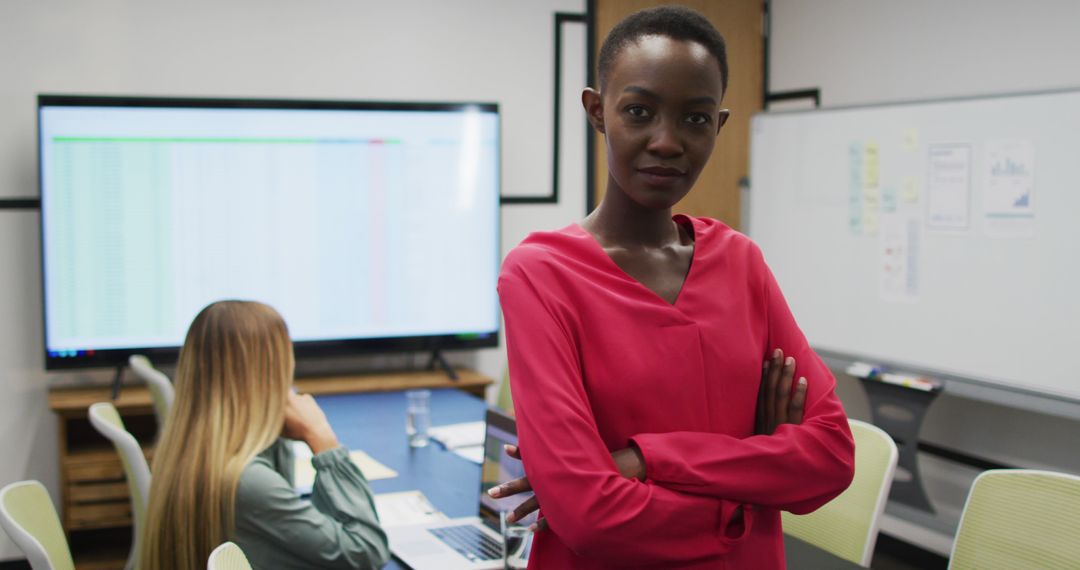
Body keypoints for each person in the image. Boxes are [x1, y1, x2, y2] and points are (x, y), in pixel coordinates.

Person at [491, 6, 855, 569]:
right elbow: (588, 513)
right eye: (639, 111)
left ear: (719, 125)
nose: (667, 142)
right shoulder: (541, 273)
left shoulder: (741, 263)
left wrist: (641, 461)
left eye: (695, 118)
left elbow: (830, 455)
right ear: (596, 111)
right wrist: (752, 488)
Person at [140, 300, 389, 569]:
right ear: (272, 374)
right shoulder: (248, 480)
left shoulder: (192, 447)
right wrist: (324, 441)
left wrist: (272, 421)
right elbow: (366, 552)